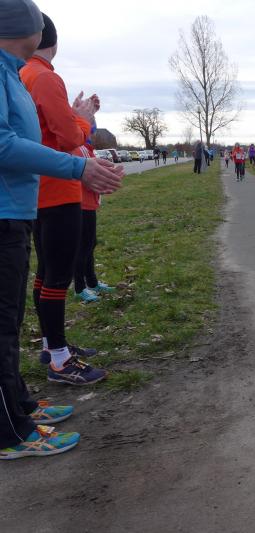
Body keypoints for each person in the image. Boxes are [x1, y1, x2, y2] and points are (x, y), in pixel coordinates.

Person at [0, 0, 123, 459]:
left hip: (24, 203)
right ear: (33, 32)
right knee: (17, 310)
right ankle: (13, 429)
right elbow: (52, 139)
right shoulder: (38, 75)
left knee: (15, 313)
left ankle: (20, 406)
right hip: (34, 200)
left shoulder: (16, 74)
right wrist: (81, 126)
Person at [21, 12, 109, 384]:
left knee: (45, 271)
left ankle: (50, 345)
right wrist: (83, 118)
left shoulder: (22, 75)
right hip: (59, 187)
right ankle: (59, 359)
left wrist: (73, 114)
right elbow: (70, 137)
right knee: (58, 274)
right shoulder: (45, 76)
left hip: (36, 188)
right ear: (52, 42)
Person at [73, 135, 115, 303]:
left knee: (90, 244)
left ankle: (92, 282)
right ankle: (79, 288)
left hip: (88, 203)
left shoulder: (87, 149)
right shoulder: (79, 148)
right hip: (82, 204)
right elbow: (86, 176)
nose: (94, 133)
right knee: (83, 247)